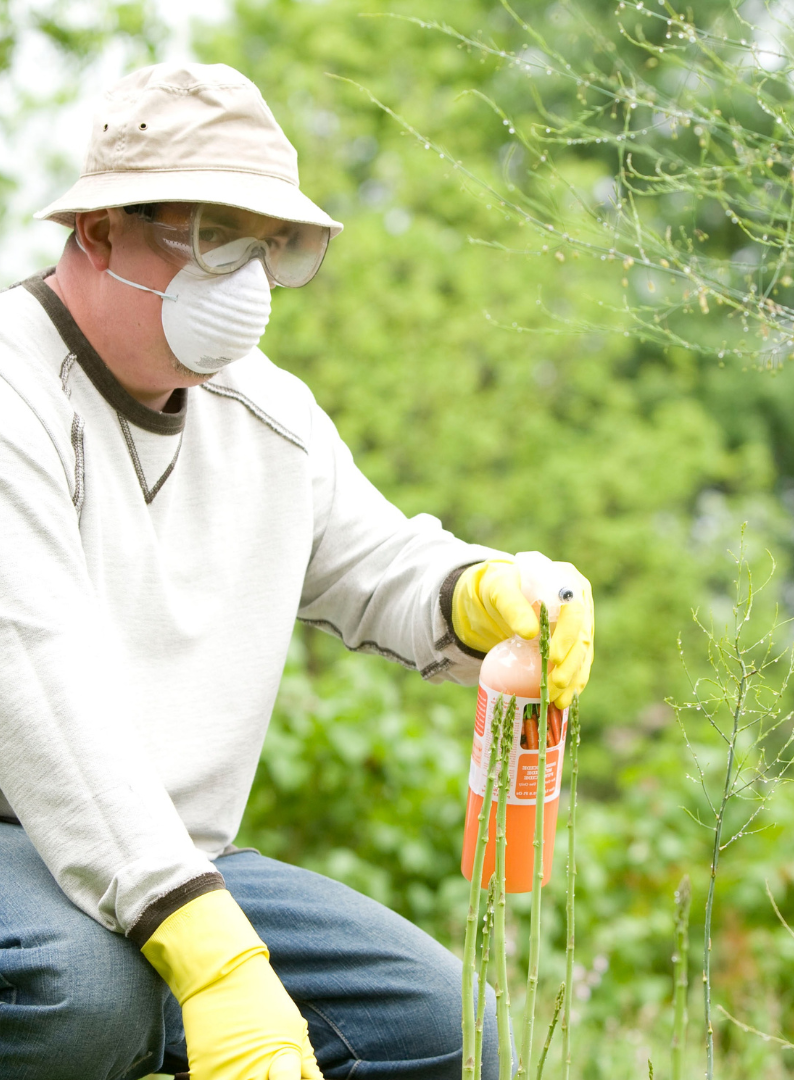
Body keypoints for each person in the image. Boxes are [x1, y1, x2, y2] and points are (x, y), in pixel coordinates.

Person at [0, 62, 593, 1080]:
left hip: (176, 860)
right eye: (207, 237)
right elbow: (36, 684)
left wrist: (488, 592)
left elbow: (378, 563)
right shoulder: (14, 389)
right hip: (24, 836)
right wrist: (211, 958)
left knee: (454, 1034)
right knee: (80, 996)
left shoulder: (267, 417)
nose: (242, 279)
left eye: (267, 247)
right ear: (98, 231)